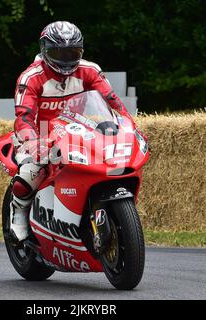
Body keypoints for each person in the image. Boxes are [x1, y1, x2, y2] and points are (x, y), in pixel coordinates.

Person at [10, 21, 133, 241]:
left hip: (75, 131)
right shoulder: (30, 78)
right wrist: (33, 142)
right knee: (30, 173)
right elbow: (24, 118)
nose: (66, 59)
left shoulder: (90, 70)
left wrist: (127, 127)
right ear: (45, 50)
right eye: (59, 52)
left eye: (72, 52)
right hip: (40, 134)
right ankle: (18, 215)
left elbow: (113, 102)